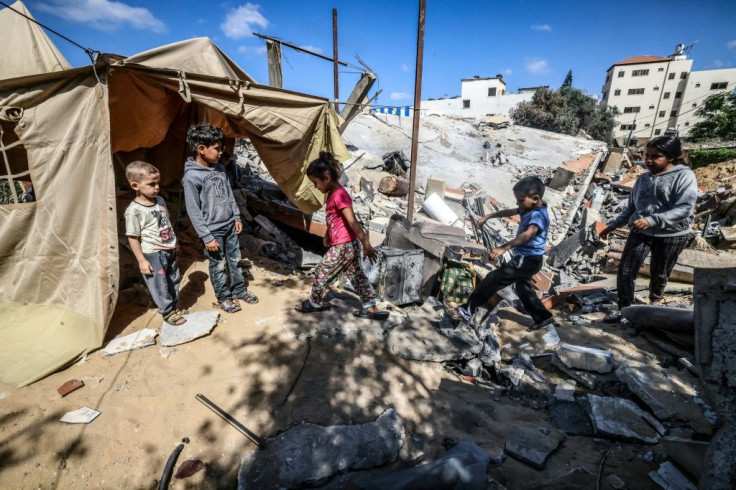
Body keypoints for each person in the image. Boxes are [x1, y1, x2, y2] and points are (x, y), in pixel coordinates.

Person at [599, 135, 697, 322]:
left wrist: (653, 220)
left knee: (660, 272)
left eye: (656, 156)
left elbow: (685, 208)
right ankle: (625, 308)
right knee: (626, 270)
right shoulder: (643, 178)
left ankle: (654, 302)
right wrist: (612, 225)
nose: (649, 160)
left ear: (671, 158)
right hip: (641, 232)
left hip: (672, 234)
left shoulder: (684, 176)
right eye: (647, 155)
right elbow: (632, 207)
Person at [295, 152, 388, 321]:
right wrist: (328, 235)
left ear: (327, 177)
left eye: (315, 183)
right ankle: (371, 308)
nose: (315, 187)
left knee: (322, 270)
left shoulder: (340, 195)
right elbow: (335, 220)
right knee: (357, 276)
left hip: (344, 246)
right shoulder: (332, 193)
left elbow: (353, 222)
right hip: (346, 244)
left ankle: (314, 303)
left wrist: (366, 244)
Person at [453, 176, 555, 330]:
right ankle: (543, 317)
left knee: (493, 278)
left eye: (520, 200)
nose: (517, 204)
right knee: (523, 289)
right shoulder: (531, 207)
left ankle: (466, 311)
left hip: (527, 259)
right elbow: (511, 211)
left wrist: (504, 247)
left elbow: (528, 234)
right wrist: (489, 216)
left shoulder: (537, 215)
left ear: (535, 198)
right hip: (531, 260)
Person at [182, 122, 259, 313]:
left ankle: (239, 291)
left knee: (235, 260)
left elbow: (229, 195)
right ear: (201, 149)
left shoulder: (220, 169)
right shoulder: (191, 177)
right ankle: (224, 298)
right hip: (212, 230)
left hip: (230, 226)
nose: (220, 153)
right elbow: (194, 210)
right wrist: (206, 237)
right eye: (217, 149)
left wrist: (236, 217)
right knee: (218, 265)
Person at [124, 161, 186, 325]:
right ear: (135, 185)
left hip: (168, 248)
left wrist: (175, 241)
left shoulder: (159, 200)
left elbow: (165, 223)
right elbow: (132, 237)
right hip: (152, 253)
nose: (157, 187)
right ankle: (167, 311)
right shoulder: (134, 211)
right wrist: (141, 260)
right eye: (151, 184)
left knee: (174, 278)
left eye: (157, 182)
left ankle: (173, 306)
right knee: (160, 283)